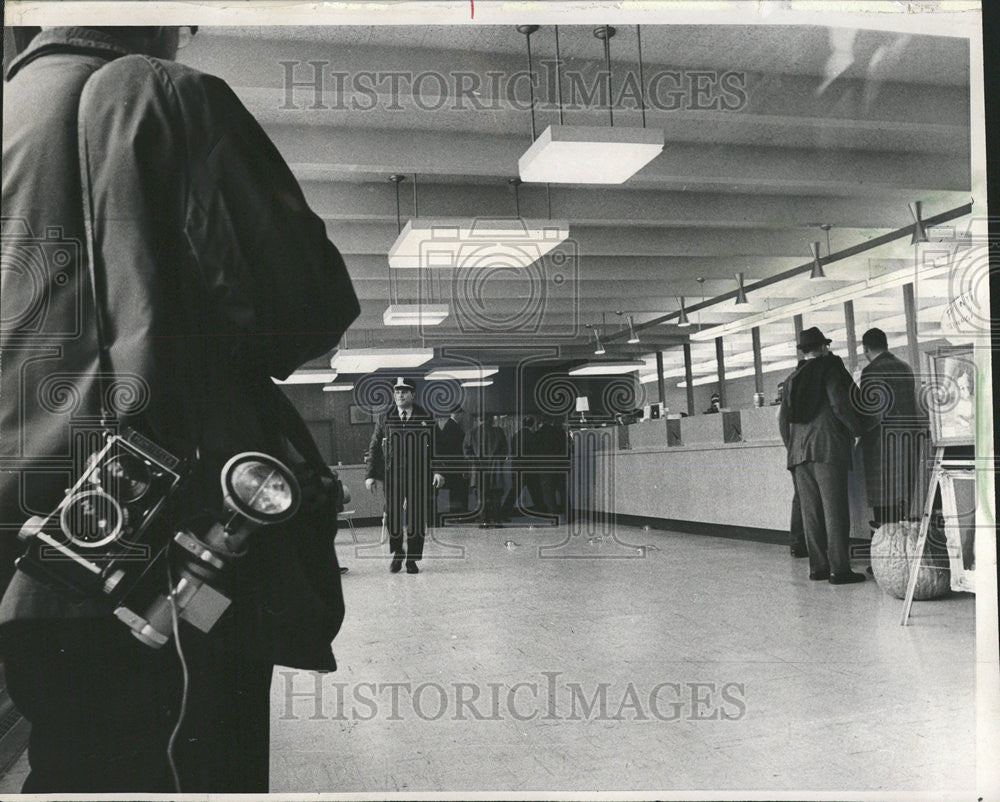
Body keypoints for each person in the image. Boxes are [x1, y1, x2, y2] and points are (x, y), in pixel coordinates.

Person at [0, 26, 360, 793]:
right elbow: (302, 306)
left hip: (25, 563)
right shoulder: (162, 96)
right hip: (160, 546)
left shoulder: (14, 112)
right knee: (187, 760)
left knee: (72, 761)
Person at [779, 327, 866, 584]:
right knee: (834, 510)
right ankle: (839, 569)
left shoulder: (792, 378)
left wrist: (792, 447)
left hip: (798, 453)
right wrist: (857, 430)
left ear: (805, 352)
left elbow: (783, 419)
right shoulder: (831, 369)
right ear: (823, 347)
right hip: (827, 447)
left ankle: (818, 567)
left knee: (811, 513)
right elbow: (840, 405)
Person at [365, 378, 444, 573]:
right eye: (397, 391)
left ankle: (412, 559)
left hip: (419, 474)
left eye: (404, 391)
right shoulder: (385, 416)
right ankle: (398, 552)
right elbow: (375, 446)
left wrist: (438, 470)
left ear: (413, 394)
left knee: (416, 517)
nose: (400, 394)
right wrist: (370, 474)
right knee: (393, 516)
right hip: (393, 474)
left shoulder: (425, 415)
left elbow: (437, 446)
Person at [856, 328, 921, 527]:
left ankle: (888, 549)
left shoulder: (870, 371)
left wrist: (857, 429)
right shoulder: (905, 367)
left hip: (881, 447)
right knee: (907, 498)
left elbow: (873, 413)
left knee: (885, 505)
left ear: (865, 349)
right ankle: (907, 550)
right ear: (886, 344)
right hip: (909, 442)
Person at [464, 413, 508, 528]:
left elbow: (466, 451)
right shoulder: (499, 432)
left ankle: (484, 521)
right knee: (496, 494)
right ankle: (497, 521)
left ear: (480, 420)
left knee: (481, 495)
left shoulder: (472, 432)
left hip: (479, 469)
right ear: (491, 420)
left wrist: (474, 461)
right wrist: (499, 460)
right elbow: (505, 450)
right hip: (495, 467)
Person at [433, 404, 469, 522]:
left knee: (456, 492)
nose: (463, 416)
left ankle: (457, 515)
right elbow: (453, 450)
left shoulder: (450, 426)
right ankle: (459, 516)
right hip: (455, 466)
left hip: (452, 466)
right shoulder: (452, 427)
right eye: (461, 414)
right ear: (458, 414)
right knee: (458, 491)